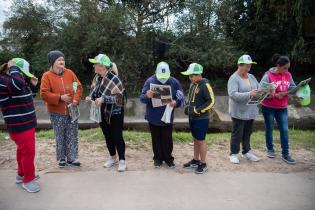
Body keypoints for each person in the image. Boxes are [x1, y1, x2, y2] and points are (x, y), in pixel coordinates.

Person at [0, 58, 40, 193]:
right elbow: (17, 85)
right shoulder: (4, 80)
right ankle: (28, 180)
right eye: (21, 73)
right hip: (19, 125)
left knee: (22, 150)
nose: (22, 76)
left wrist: (33, 86)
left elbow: (26, 96)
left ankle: (21, 174)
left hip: (26, 123)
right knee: (28, 152)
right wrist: (14, 68)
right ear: (14, 70)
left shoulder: (13, 81)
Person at [40, 50, 83, 168]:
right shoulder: (46, 76)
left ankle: (72, 158)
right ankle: (62, 159)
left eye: (63, 59)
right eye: (59, 60)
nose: (62, 61)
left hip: (72, 111)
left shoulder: (70, 73)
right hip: (56, 112)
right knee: (60, 135)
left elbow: (77, 86)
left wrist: (75, 100)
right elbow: (44, 94)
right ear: (52, 62)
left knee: (72, 134)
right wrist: (60, 97)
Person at [86, 54, 127, 172]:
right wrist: (90, 98)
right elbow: (94, 93)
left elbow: (121, 99)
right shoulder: (96, 78)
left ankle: (122, 161)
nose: (93, 66)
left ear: (102, 66)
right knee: (107, 136)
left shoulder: (114, 79)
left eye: (95, 64)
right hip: (102, 112)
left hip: (115, 113)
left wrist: (104, 99)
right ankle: (113, 158)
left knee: (117, 136)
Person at [140, 61, 184, 168]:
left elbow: (181, 97)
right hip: (153, 117)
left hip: (167, 117)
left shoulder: (174, 82)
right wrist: (147, 96)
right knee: (156, 138)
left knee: (167, 138)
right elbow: (141, 98)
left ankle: (169, 159)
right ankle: (157, 159)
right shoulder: (149, 81)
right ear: (156, 73)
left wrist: (176, 103)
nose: (163, 80)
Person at [260, 54, 297, 164]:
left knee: (285, 130)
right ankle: (270, 149)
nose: (287, 70)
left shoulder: (288, 75)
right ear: (278, 66)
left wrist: (299, 90)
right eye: (285, 68)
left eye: (288, 68)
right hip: (268, 107)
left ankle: (285, 154)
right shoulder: (267, 75)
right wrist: (275, 95)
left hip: (282, 107)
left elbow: (292, 87)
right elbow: (261, 92)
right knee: (269, 128)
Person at [181, 63, 215, 174]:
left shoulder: (205, 85)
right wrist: (187, 106)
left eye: (191, 76)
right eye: (189, 76)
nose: (189, 78)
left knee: (201, 140)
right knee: (195, 139)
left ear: (198, 75)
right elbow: (191, 99)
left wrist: (198, 110)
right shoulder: (193, 84)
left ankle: (203, 163)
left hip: (201, 118)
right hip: (192, 117)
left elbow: (211, 101)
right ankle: (196, 160)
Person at [227, 55, 260, 164]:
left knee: (248, 132)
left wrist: (266, 91)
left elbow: (258, 88)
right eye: (246, 65)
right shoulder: (234, 78)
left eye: (250, 65)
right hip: (238, 111)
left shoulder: (251, 76)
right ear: (239, 65)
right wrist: (249, 93)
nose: (249, 67)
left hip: (251, 110)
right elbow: (233, 94)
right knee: (238, 133)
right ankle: (233, 153)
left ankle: (247, 152)